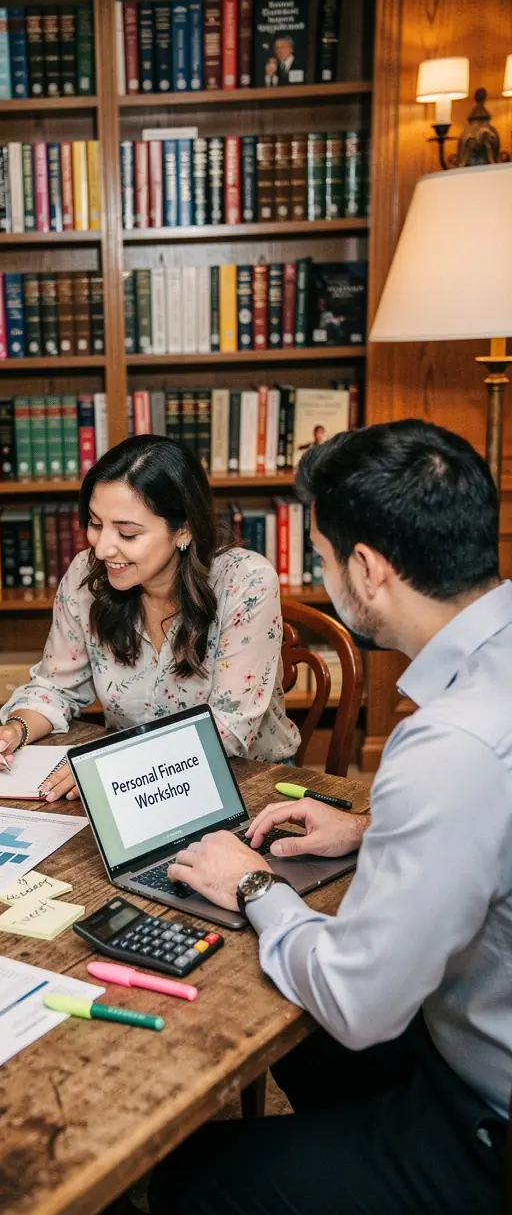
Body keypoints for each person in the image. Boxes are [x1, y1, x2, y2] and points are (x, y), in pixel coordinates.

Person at [148, 420, 510, 1215]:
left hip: (489, 1127)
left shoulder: (449, 743)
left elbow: (357, 1003)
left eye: (320, 556)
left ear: (369, 569)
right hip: (470, 1032)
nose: (320, 573)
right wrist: (367, 830)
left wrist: (252, 887)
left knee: (185, 1180)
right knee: (304, 1060)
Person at [0, 435, 299, 800]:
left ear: (184, 529)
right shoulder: (86, 577)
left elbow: (228, 731)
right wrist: (15, 731)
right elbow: (55, 687)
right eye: (95, 524)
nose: (103, 547)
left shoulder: (245, 582)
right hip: (130, 792)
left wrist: (109, 768)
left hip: (246, 785)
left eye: (127, 533)